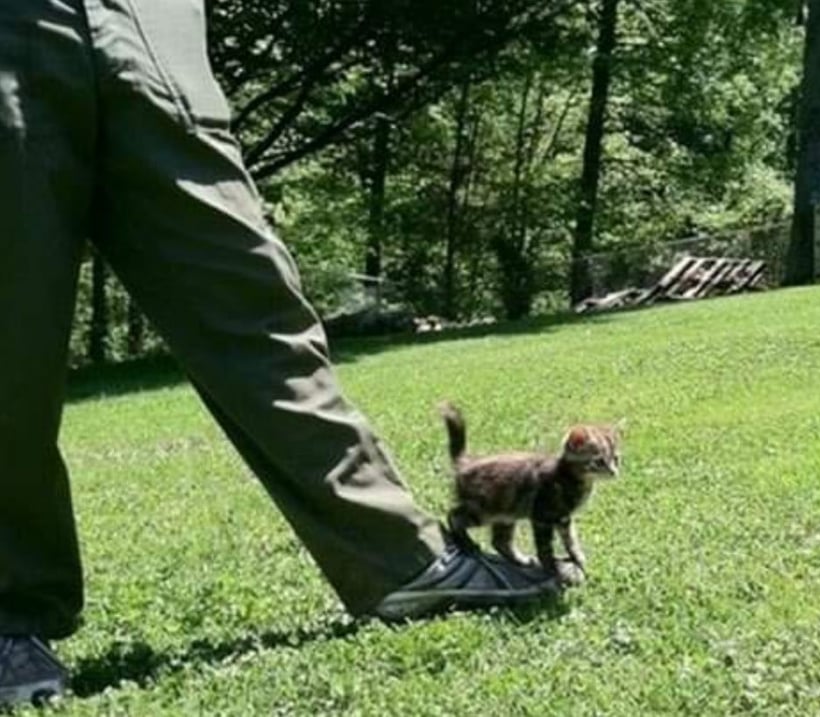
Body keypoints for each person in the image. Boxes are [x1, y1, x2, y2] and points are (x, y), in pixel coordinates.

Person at [0, 0, 560, 707]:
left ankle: (401, 560)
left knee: (257, 308)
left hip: (146, 22)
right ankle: (6, 612)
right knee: (8, 340)